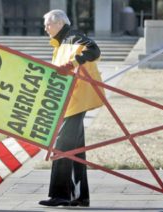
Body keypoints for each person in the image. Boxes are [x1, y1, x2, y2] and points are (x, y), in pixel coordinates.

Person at [39, 9, 104, 207]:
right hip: (72, 102)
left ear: (59, 24)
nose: (45, 28)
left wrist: (72, 63)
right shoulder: (61, 43)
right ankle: (79, 196)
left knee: (63, 145)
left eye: (48, 25)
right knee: (75, 149)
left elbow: (94, 50)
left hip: (78, 100)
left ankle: (61, 195)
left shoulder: (74, 37)